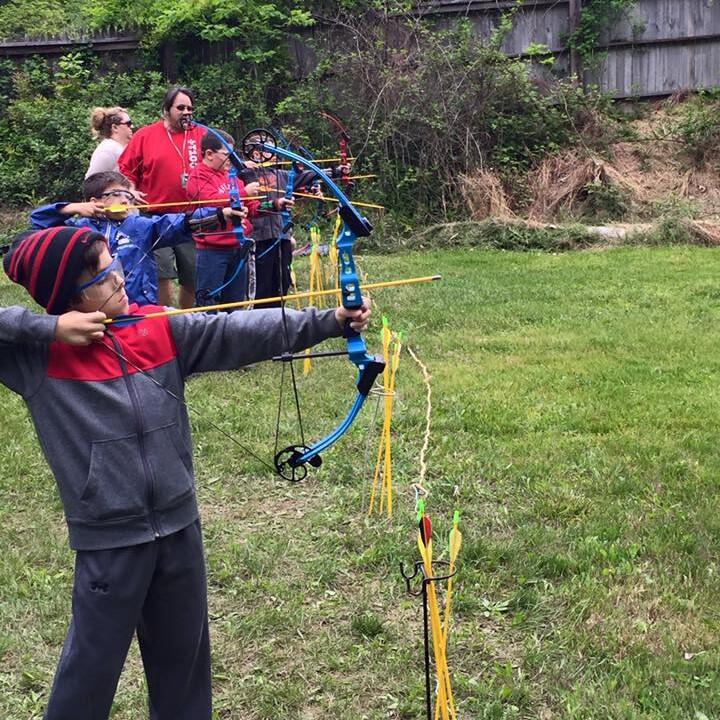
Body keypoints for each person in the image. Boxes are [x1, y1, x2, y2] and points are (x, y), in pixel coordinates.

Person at [0, 226, 371, 719]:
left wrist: (330, 320)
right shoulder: (37, 358)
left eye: (116, 264)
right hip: (110, 540)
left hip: (179, 527)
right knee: (90, 671)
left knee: (185, 668)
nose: (120, 278)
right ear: (67, 294)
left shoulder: (157, 328)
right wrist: (50, 329)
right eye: (103, 275)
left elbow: (236, 332)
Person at [29, 171, 241, 306]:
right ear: (95, 201)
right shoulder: (79, 229)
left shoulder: (140, 226)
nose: (125, 200)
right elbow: (38, 222)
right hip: (93, 305)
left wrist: (221, 214)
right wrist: (71, 208)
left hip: (138, 305)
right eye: (117, 194)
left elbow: (178, 223)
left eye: (128, 196)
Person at [119, 86, 204, 309]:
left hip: (191, 217)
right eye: (181, 107)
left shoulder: (199, 134)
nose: (186, 112)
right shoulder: (145, 136)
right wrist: (131, 190)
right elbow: (126, 169)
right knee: (162, 273)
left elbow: (218, 161)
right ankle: (165, 320)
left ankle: (186, 320)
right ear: (166, 110)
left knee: (193, 273)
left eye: (190, 108)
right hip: (156, 217)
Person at [187, 130, 291, 306]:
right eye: (227, 154)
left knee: (235, 305)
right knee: (208, 304)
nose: (232, 159)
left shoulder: (232, 176)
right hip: (211, 251)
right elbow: (209, 201)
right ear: (209, 154)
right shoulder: (198, 175)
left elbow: (252, 208)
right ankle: (210, 334)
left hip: (237, 248)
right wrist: (244, 193)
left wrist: (275, 205)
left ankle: (231, 334)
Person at [85, 106, 134, 177]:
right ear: (115, 127)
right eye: (128, 123)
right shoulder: (107, 150)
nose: (132, 126)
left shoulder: (120, 147)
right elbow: (90, 181)